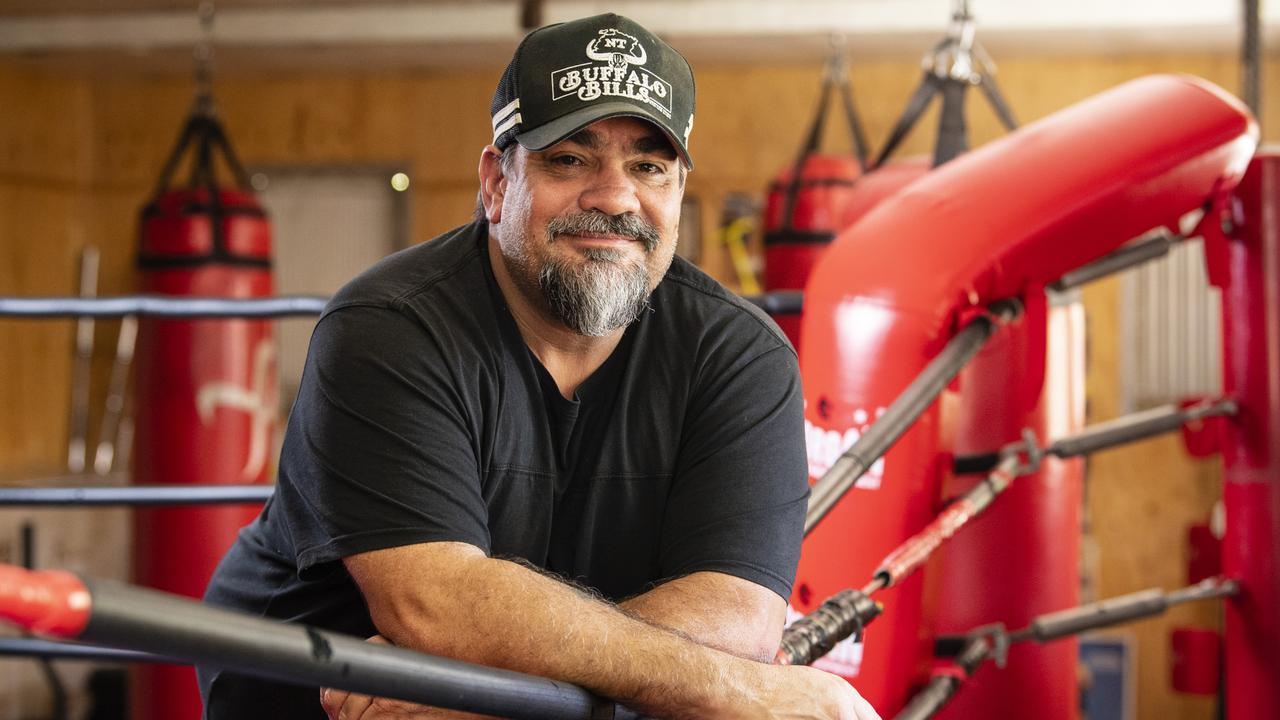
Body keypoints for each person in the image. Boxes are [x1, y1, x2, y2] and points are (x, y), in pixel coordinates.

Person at [198, 13, 879, 720]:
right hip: (311, 699)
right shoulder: (389, 329)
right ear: (495, 182)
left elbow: (738, 620)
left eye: (648, 166)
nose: (615, 197)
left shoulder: (740, 357)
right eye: (569, 159)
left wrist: (477, 700)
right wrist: (734, 693)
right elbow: (436, 605)